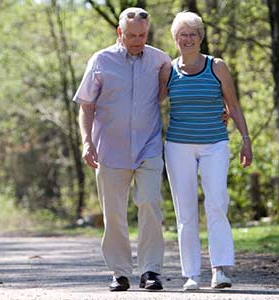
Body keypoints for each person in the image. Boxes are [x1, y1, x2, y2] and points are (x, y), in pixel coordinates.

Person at [73, 7, 171, 292]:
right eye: (132, 35)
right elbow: (86, 106)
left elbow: (172, 89)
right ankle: (120, 272)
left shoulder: (159, 59)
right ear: (120, 33)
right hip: (110, 151)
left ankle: (151, 270)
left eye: (143, 35)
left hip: (148, 148)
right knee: (114, 213)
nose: (138, 40)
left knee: (150, 204)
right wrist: (87, 142)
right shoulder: (101, 61)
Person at [159, 11, 253, 290]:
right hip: (178, 146)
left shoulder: (217, 67)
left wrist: (246, 139)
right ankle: (191, 274)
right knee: (185, 211)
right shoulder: (168, 70)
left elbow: (233, 106)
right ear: (175, 39)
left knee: (217, 202)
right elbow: (151, 103)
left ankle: (220, 269)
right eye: (182, 35)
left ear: (201, 38)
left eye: (192, 34)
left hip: (215, 143)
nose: (187, 39)